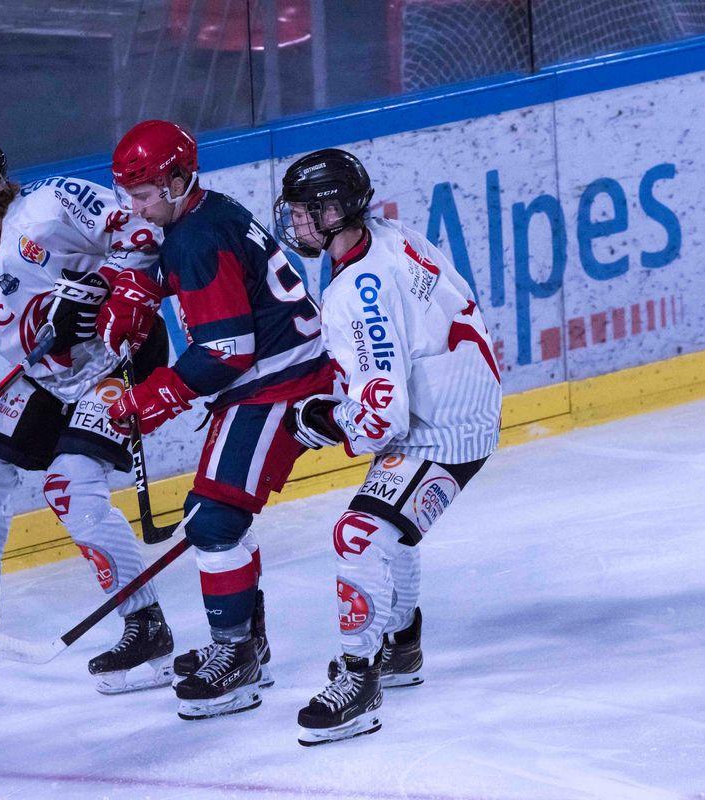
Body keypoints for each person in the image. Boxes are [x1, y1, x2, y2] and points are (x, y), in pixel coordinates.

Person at [0, 132, 176, 695]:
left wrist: (104, 289)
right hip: (44, 378)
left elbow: (141, 231)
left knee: (70, 487)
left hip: (117, 358)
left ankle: (145, 623)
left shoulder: (52, 204)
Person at [100, 120, 335, 720]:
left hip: (279, 383)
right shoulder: (208, 214)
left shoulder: (196, 237)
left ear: (180, 181)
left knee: (213, 520)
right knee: (218, 516)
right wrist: (138, 295)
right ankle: (245, 643)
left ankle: (236, 657)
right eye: (130, 194)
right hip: (276, 376)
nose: (137, 207)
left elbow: (228, 350)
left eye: (147, 192)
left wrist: (148, 400)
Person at [274, 149, 501, 745]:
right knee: (387, 520)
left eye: (305, 213)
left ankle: (359, 676)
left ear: (337, 210)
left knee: (358, 532)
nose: (295, 224)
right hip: (458, 400)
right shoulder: (383, 233)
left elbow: (382, 418)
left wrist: (327, 419)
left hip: (440, 429)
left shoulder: (358, 288)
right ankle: (399, 645)